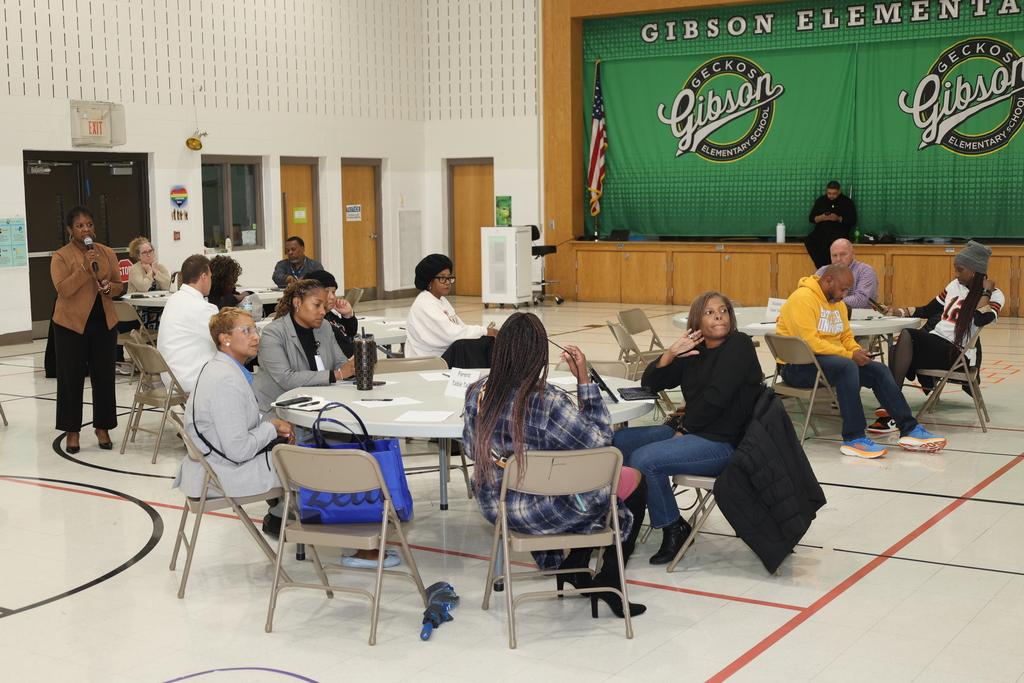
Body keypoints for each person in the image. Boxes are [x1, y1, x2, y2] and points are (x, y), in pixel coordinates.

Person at [463, 312, 648, 619]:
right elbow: (602, 442)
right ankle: (609, 580)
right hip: (547, 511)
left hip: (499, 507)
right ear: (539, 353)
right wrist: (585, 381)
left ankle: (574, 569)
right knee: (633, 481)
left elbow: (471, 448)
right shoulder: (546, 400)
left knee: (581, 478)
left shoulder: (477, 392)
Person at [612, 292, 763, 565]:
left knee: (645, 460)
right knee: (618, 441)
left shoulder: (739, 344)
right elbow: (651, 384)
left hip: (724, 442)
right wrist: (671, 353)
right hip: (692, 430)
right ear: (696, 321)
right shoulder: (695, 350)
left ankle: (674, 528)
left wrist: (686, 429)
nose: (718, 315)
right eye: (709, 312)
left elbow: (717, 397)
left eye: (723, 310)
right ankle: (616, 519)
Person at [776, 263, 946, 458]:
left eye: (848, 290)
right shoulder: (803, 298)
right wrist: (849, 356)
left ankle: (910, 429)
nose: (844, 295)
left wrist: (857, 351)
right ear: (828, 281)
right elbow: (810, 343)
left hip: (826, 362)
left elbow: (845, 337)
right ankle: (853, 438)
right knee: (847, 366)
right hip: (797, 366)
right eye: (843, 289)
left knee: (879, 370)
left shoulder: (837, 303)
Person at [870, 240, 1004, 432]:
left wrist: (986, 291)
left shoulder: (995, 296)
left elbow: (980, 318)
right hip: (935, 344)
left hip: (956, 354)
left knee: (907, 335)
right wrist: (897, 311)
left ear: (975, 271)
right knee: (895, 349)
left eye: (960, 270)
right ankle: (892, 414)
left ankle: (891, 407)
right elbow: (928, 309)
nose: (956, 274)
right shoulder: (953, 286)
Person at [173, 307, 295, 512]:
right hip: (220, 475)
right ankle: (292, 524)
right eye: (247, 331)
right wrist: (271, 427)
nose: (256, 337)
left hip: (215, 464)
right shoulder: (226, 380)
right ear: (225, 338)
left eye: (256, 330)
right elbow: (239, 450)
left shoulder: (218, 367)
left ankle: (284, 517)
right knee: (308, 467)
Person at [50, 205, 122, 454]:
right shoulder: (61, 256)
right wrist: (84, 267)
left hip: (104, 324)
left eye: (89, 224)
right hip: (70, 326)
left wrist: (108, 288)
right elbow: (63, 290)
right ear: (70, 229)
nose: (86, 229)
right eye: (80, 225)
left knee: (104, 377)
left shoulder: (106, 252)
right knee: (71, 379)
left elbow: (118, 284)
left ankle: (103, 427)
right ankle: (72, 431)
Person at [251, 279, 355, 416]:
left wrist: (355, 366)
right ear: (297, 303)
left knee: (350, 429)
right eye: (317, 305)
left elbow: (340, 363)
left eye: (324, 306)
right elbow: (286, 378)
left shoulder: (324, 327)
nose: (322, 312)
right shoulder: (274, 332)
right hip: (279, 410)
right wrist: (337, 374)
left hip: (319, 403)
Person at [406, 253, 497, 367]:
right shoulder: (425, 304)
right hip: (430, 363)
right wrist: (485, 331)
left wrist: (485, 333)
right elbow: (453, 335)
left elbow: (460, 328)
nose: (448, 282)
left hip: (443, 356)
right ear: (429, 281)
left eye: (449, 278)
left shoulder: (442, 301)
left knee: (484, 342)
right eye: (442, 278)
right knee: (466, 345)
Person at [158, 255, 219, 393]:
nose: (211, 281)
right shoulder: (201, 307)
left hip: (170, 377)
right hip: (191, 378)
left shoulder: (174, 299)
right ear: (204, 277)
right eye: (210, 276)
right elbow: (223, 340)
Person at [813, 238, 878, 310]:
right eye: (834, 255)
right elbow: (812, 293)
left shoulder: (865, 271)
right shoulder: (823, 271)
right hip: (828, 315)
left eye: (843, 254)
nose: (838, 259)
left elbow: (861, 300)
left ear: (852, 254)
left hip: (860, 317)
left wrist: (830, 301)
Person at [306, 269, 358, 357]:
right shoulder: (316, 320)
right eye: (326, 292)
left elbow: (350, 333)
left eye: (333, 292)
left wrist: (347, 316)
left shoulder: (330, 314)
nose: (332, 297)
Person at [805, 181, 857, 270]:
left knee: (833, 243)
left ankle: (833, 268)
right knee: (809, 241)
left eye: (834, 194)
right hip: (821, 230)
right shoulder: (821, 201)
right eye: (829, 193)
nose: (831, 196)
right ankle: (821, 266)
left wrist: (838, 218)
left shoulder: (847, 202)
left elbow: (852, 220)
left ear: (839, 191)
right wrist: (821, 218)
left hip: (839, 230)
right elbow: (811, 218)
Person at [125, 236, 171, 331]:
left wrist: (156, 272)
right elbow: (143, 287)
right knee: (162, 315)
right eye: (144, 252)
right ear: (138, 256)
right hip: (140, 308)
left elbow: (169, 286)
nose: (149, 254)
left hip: (157, 304)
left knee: (170, 313)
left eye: (150, 251)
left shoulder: (160, 267)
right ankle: (153, 342)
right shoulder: (135, 269)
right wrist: (149, 273)